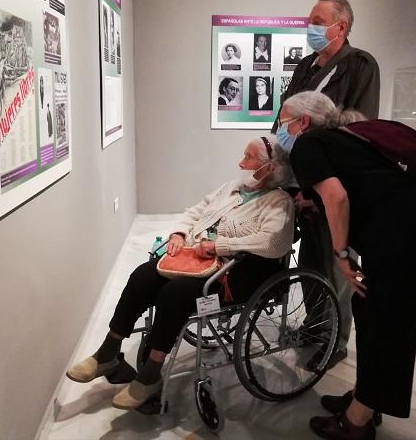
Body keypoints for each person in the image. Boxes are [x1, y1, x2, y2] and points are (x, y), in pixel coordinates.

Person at [66, 137, 295, 410]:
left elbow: (274, 242)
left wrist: (219, 245)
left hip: (236, 274)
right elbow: (196, 210)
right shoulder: (233, 188)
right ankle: (109, 351)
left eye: (248, 157)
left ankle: (151, 375)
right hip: (196, 259)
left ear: (269, 168)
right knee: (143, 275)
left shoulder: (279, 202)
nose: (240, 162)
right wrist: (179, 232)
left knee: (174, 294)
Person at [276, 92, 416, 440]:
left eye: (283, 120)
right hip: (413, 229)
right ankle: (365, 399)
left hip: (407, 238)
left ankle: (357, 422)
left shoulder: (308, 145)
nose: (280, 127)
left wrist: (341, 257)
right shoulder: (336, 140)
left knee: (386, 325)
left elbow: (338, 197)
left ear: (303, 122)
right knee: (372, 313)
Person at [272, 0, 381, 369]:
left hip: (331, 178)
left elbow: (357, 125)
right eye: (309, 19)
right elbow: (286, 114)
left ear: (341, 26)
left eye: (318, 20)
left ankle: (336, 338)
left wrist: (321, 175)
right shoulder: (305, 65)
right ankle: (317, 324)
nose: (310, 27)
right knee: (311, 258)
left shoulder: (359, 66)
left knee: (337, 261)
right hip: (300, 174)